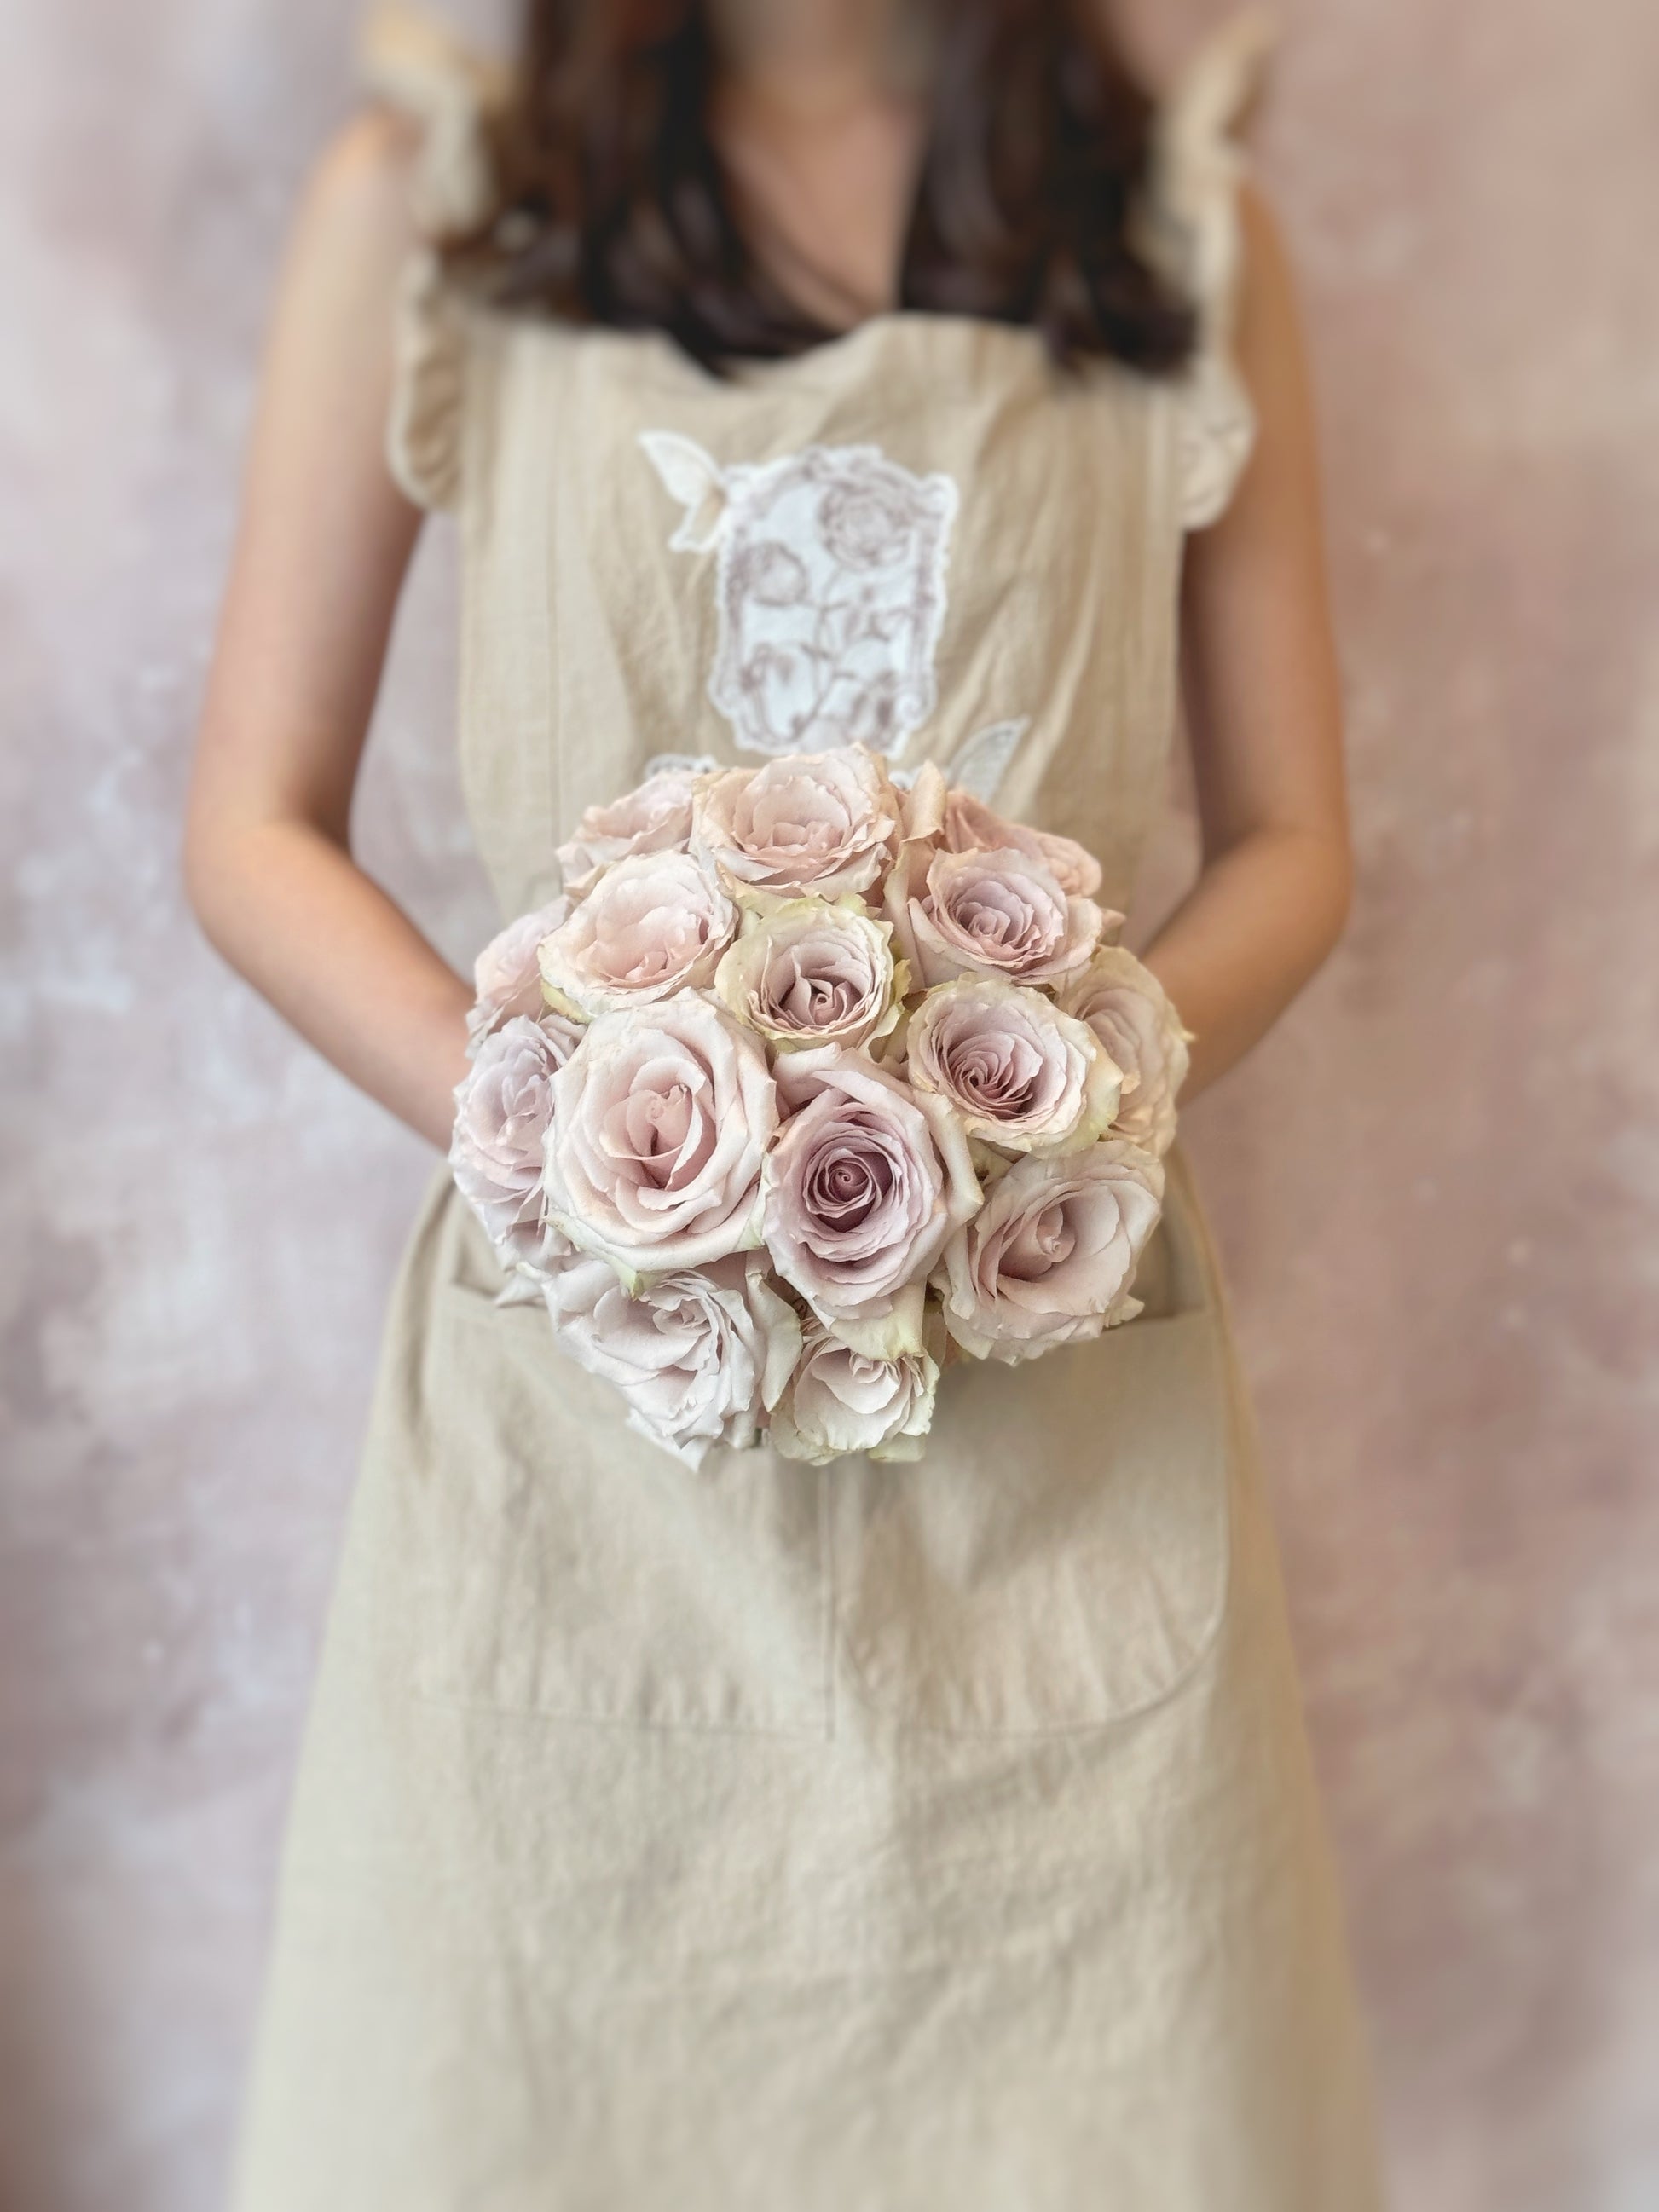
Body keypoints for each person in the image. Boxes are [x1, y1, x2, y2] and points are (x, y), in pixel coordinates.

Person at [186, 2, 1381, 2204]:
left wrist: (1040, 1112)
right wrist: (572, 1128)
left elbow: (1294, 845)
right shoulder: (441, 210)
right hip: (573, 1446)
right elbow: (252, 826)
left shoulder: (1166, 225)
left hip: (1053, 1431)